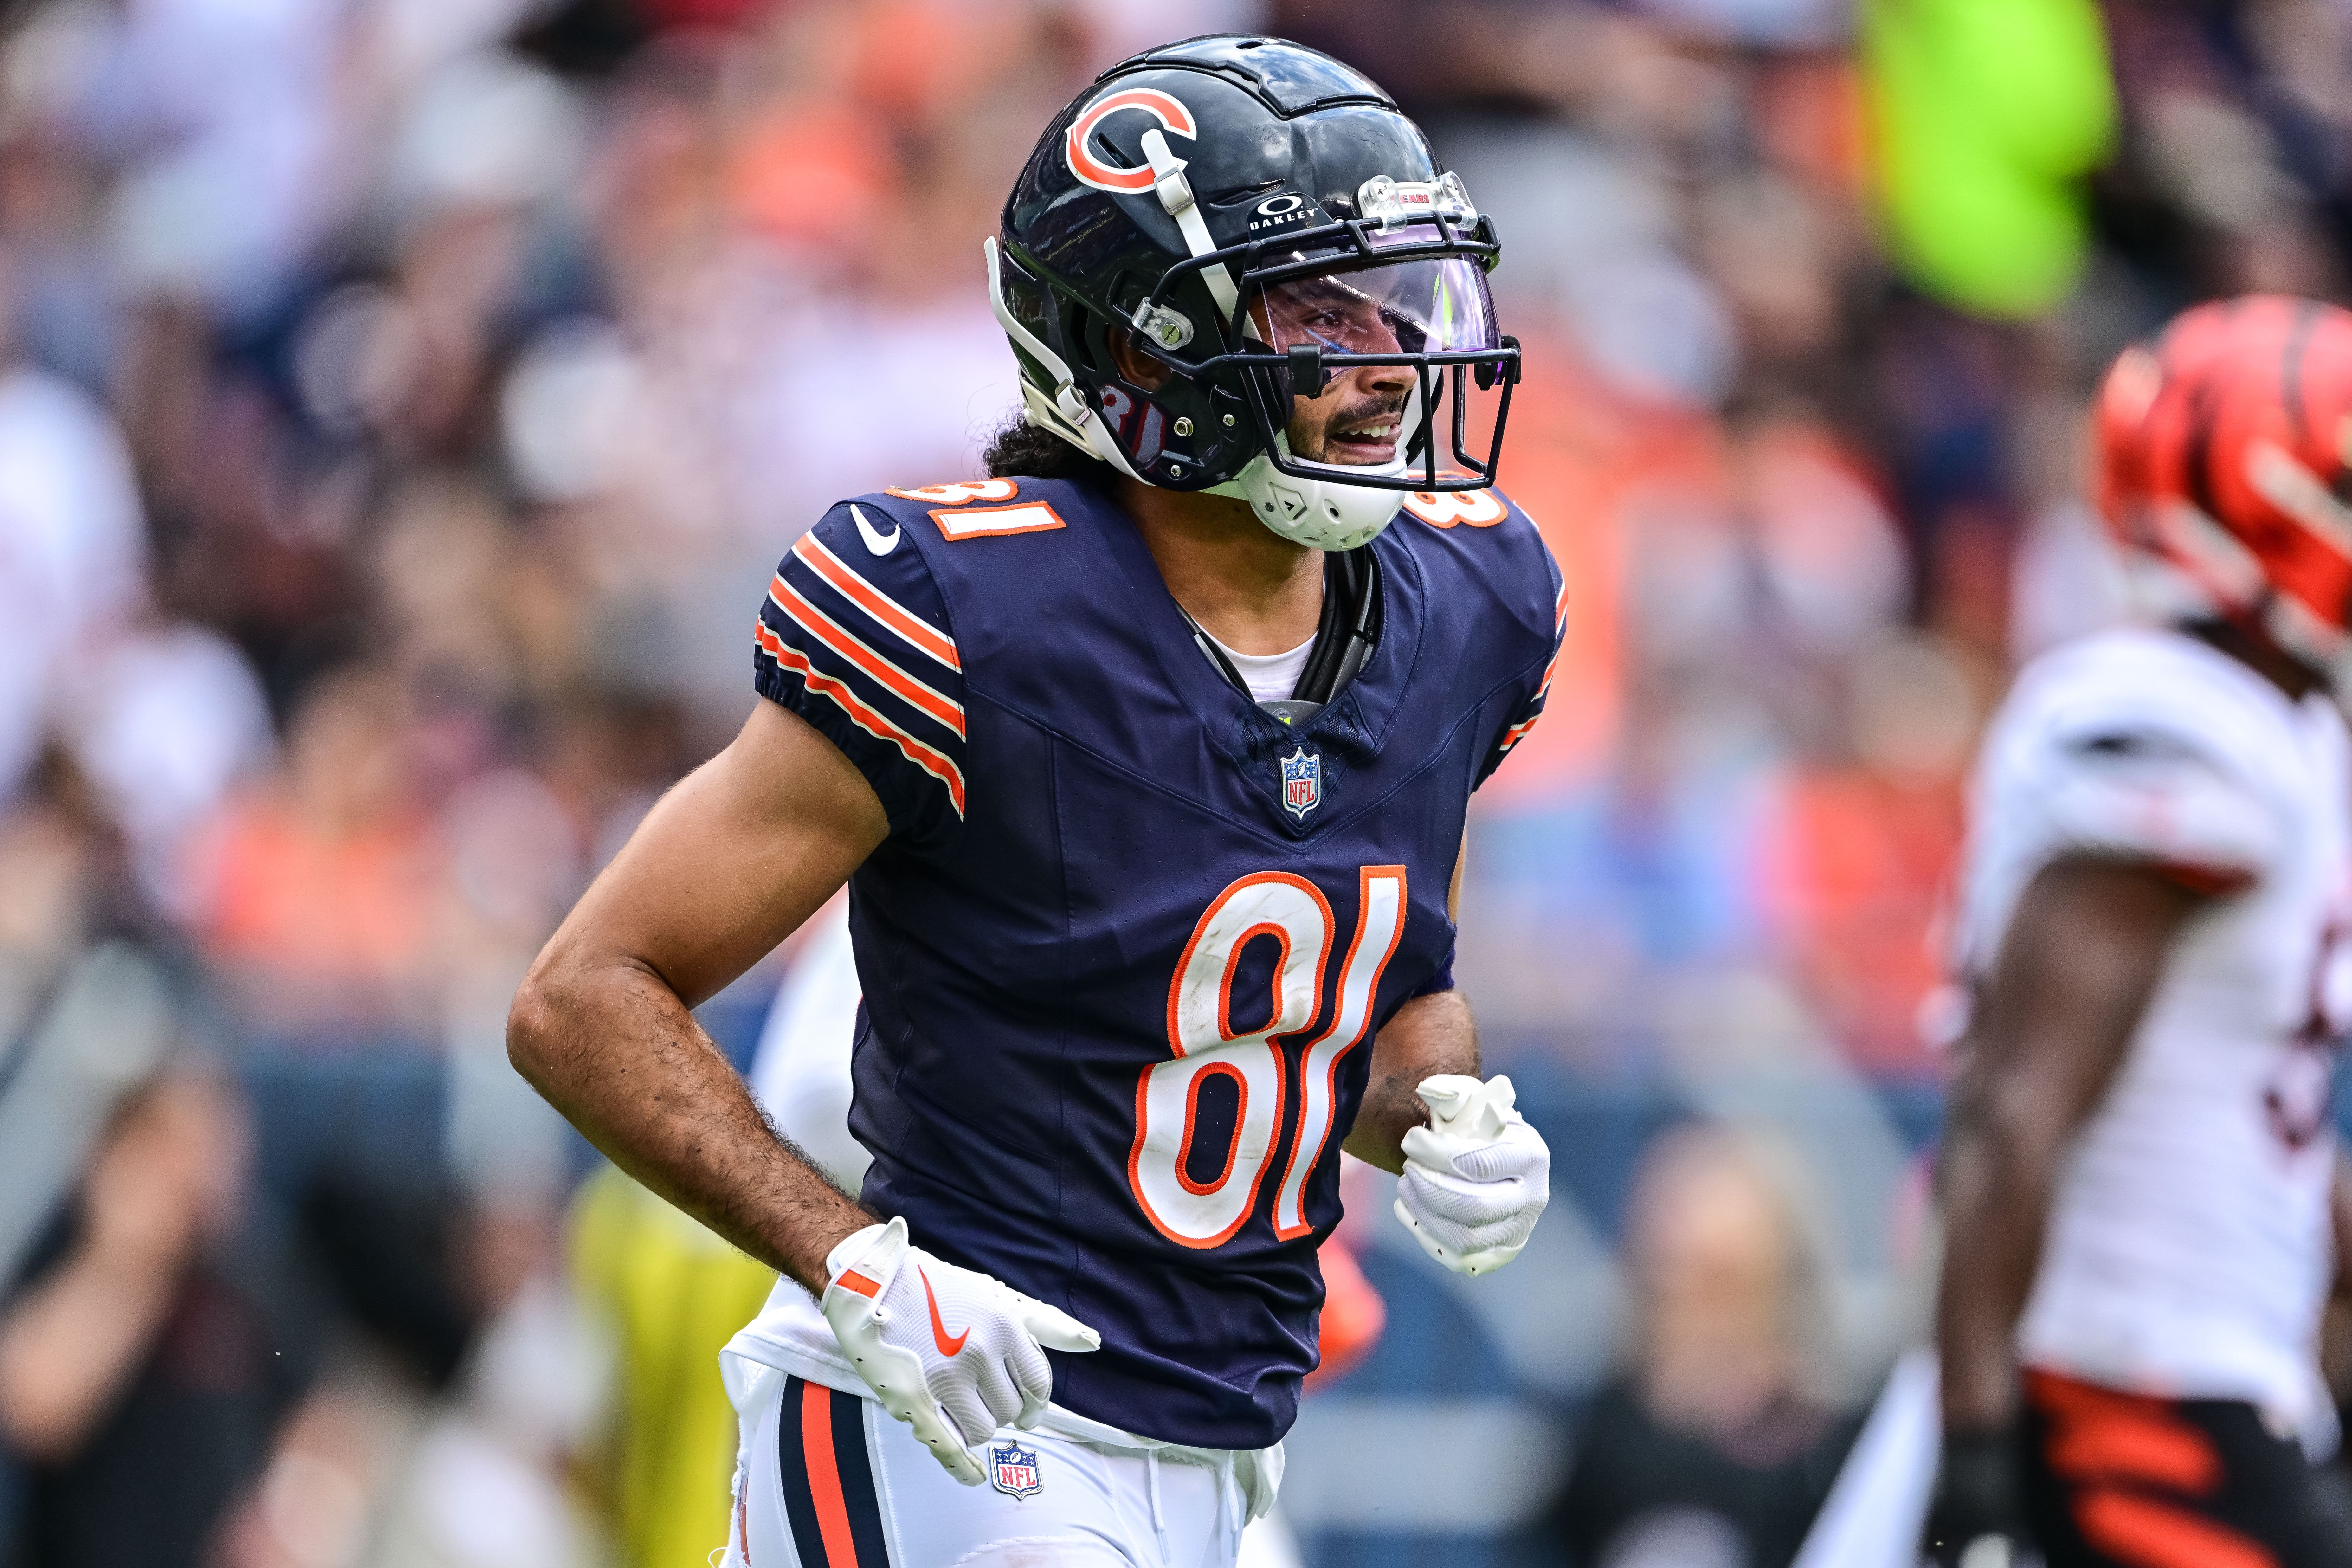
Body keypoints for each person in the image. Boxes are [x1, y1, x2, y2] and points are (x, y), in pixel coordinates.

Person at [507, 33, 1560, 1568]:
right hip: (947, 1428)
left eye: (1394, 301)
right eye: (1315, 311)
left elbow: (1376, 988)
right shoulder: (972, 611)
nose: (1385, 362)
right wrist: (852, 1261)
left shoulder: (1461, 594)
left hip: (1220, 1451)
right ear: (1143, 352)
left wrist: (1439, 1109)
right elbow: (582, 993)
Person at [1924, 296, 2352, 1566]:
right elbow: (2015, 1106)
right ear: (2264, 500)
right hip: (2119, 1383)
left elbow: (2242, 1098)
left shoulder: (2289, 735)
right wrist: (1975, 1448)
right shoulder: (2173, 717)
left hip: (2208, 1371)